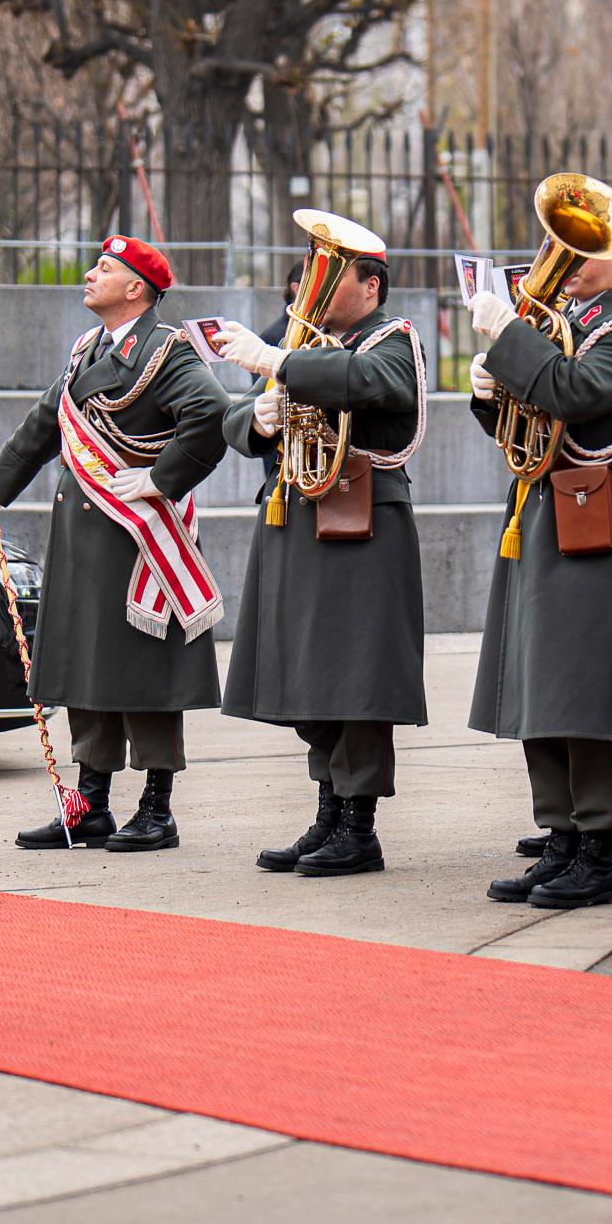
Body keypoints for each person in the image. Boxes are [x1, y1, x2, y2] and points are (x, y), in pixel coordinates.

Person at [0, 235, 230, 853]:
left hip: (133, 537)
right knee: (87, 669)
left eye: (104, 268)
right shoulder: (89, 347)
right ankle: (90, 804)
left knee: (143, 673)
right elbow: (46, 420)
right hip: (85, 533)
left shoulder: (165, 352)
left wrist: (160, 478)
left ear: (136, 288)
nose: (90, 275)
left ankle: (157, 808)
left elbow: (212, 413)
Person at [466, 205, 612, 910]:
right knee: (541, 683)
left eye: (586, 247)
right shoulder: (563, 322)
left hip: (601, 506)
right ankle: (559, 837)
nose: (562, 258)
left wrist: (510, 345)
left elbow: (578, 393)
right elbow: (527, 418)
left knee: (592, 687)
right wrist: (487, 393)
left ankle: (598, 848)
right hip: (544, 499)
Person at [207, 233, 426, 878]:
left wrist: (278, 363)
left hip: (361, 523)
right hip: (300, 516)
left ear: (371, 288)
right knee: (311, 674)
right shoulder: (305, 348)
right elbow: (234, 423)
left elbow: (371, 382)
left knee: (354, 674)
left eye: (331, 279)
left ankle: (360, 827)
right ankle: (329, 813)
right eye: (310, 278)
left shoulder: (394, 337)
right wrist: (261, 419)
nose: (314, 291)